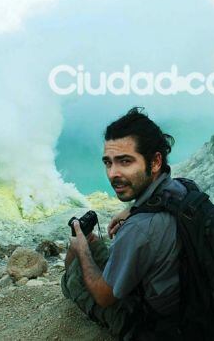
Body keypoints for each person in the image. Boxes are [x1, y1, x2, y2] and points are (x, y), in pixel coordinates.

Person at [61, 107, 185, 340]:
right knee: (97, 250)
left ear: (155, 161)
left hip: (153, 323)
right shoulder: (182, 189)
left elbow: (104, 297)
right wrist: (132, 209)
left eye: (125, 161)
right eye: (108, 163)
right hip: (184, 299)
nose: (112, 173)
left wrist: (81, 251)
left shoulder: (138, 230)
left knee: (73, 279)